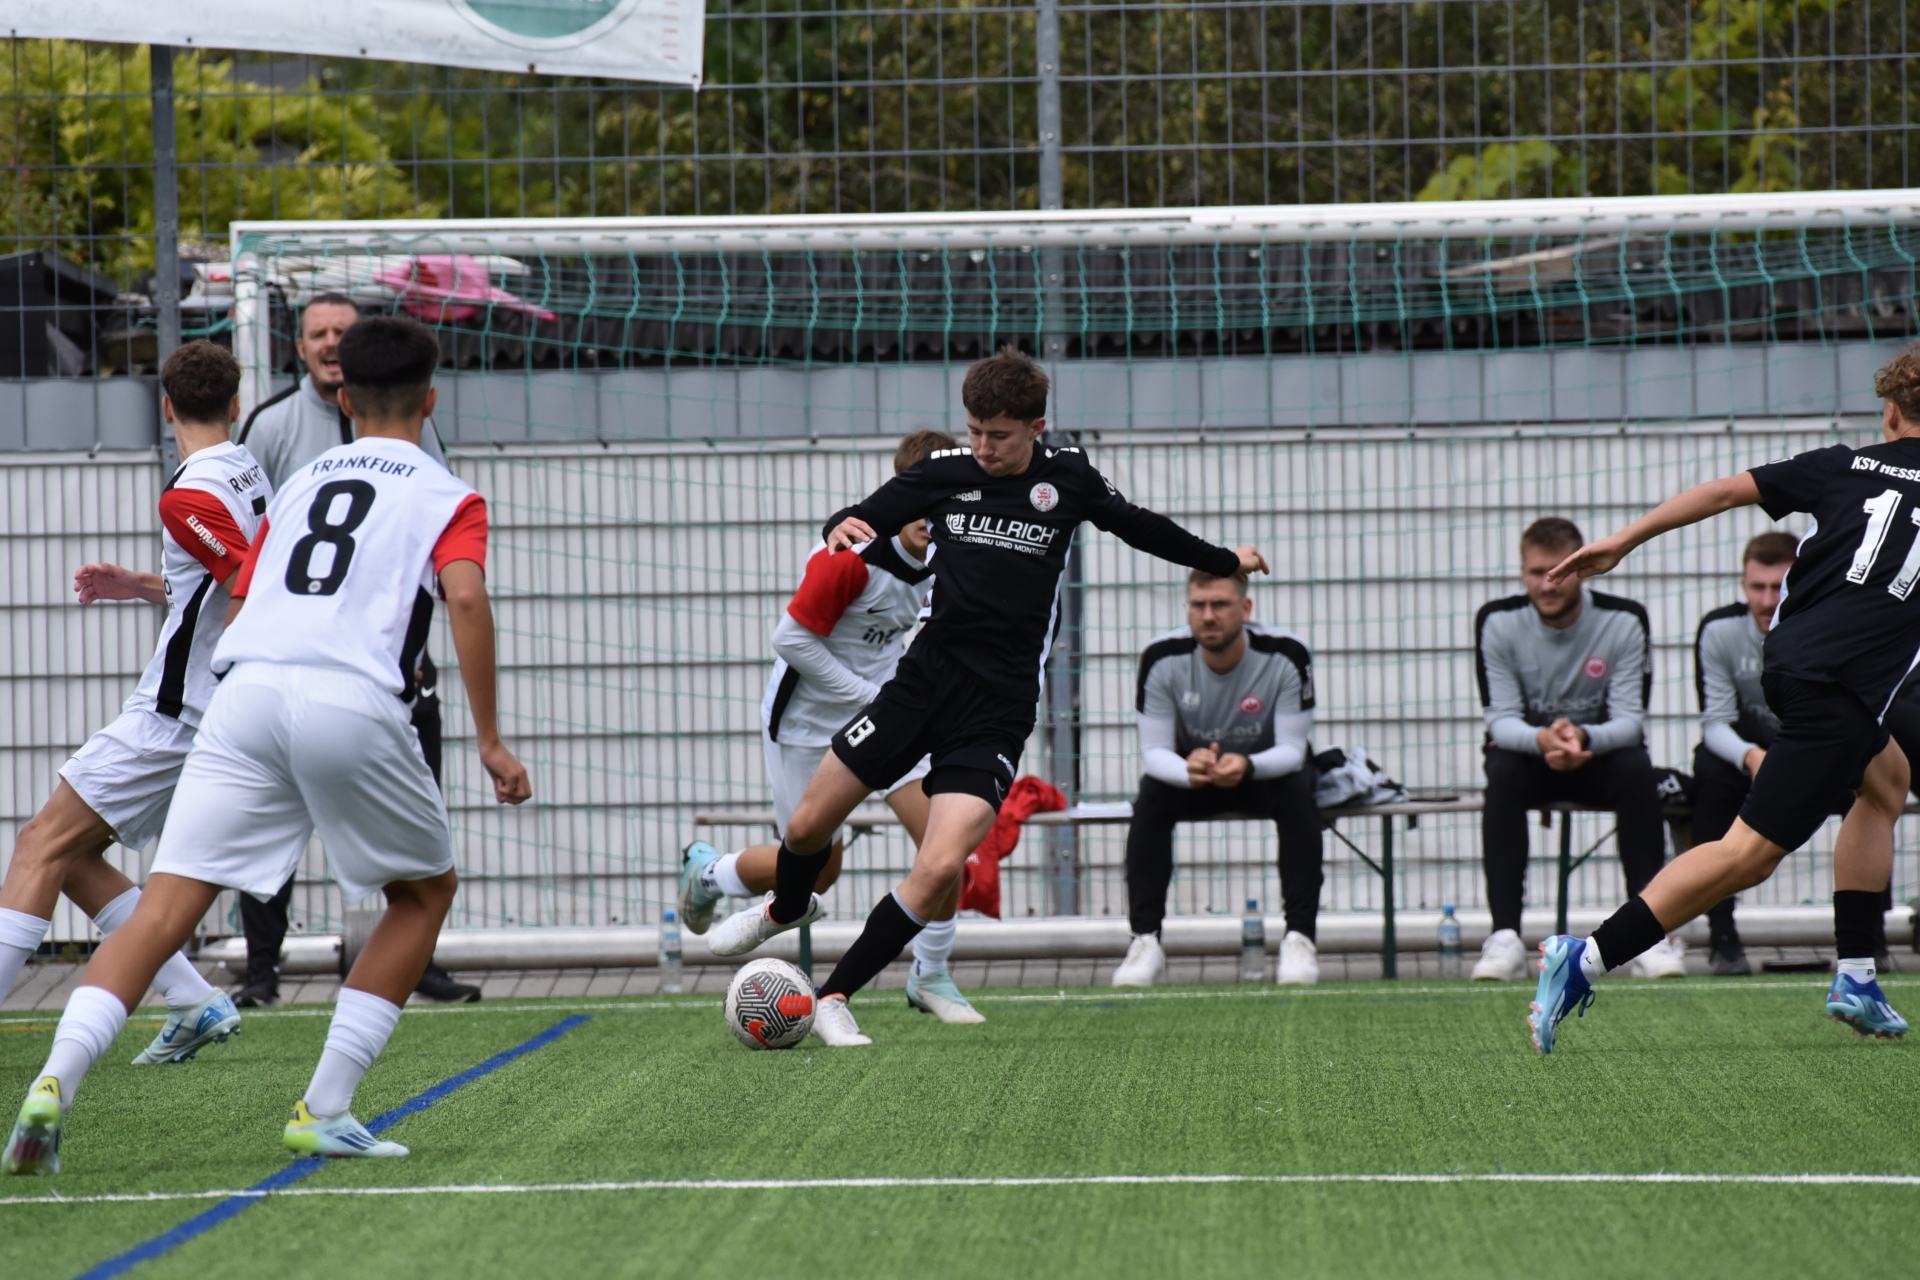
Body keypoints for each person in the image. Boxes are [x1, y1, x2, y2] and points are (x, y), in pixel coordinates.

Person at [4, 316, 531, 1173]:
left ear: (345, 400)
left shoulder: (299, 482)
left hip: (243, 694)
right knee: (423, 893)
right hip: (350, 699)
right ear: (431, 401)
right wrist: (493, 741)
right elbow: (465, 599)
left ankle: (53, 1083)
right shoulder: (448, 495)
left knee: (165, 907)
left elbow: (244, 593)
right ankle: (325, 1108)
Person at [706, 346, 1266, 1047]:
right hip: (920, 685)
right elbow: (865, 514)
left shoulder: (1068, 478)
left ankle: (834, 996)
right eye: (974, 430)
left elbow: (1143, 526)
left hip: (997, 709)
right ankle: (785, 908)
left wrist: (1224, 560)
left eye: (998, 435)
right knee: (807, 828)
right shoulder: (945, 473)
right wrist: (838, 526)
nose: (983, 447)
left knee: (942, 862)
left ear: (1035, 427)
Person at [1528, 352, 1920, 1053]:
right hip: (1837, 688)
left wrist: (1621, 540)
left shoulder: (1843, 465)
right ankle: (1586, 956)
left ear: (1890, 412)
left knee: (1887, 781)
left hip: (1799, 667)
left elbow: (1719, 493)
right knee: (1746, 856)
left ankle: (1857, 974)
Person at [0, 342, 266, 1064]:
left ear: (165, 407)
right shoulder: (246, 466)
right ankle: (192, 997)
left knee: (39, 843)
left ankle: (188, 996)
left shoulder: (187, 494)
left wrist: (236, 670)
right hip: (207, 709)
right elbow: (221, 578)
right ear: (236, 405)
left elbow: (247, 577)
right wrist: (143, 585)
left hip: (178, 713)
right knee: (72, 854)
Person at [681, 429, 982, 1023]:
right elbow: (790, 640)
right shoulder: (850, 556)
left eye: (947, 502)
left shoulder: (955, 558)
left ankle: (930, 974)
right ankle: (709, 874)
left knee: (945, 843)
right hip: (806, 723)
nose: (933, 517)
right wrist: (872, 698)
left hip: (888, 717)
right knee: (818, 872)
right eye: (923, 501)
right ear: (901, 494)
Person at [234, 291, 474, 1005]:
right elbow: (247, 540)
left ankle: (417, 962)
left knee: (417, 819)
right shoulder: (272, 427)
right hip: (302, 662)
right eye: (319, 333)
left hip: (387, 665)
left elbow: (433, 543)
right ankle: (262, 970)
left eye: (343, 331)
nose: (331, 343)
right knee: (267, 832)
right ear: (300, 348)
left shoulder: (413, 435)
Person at [1470, 517, 1676, 982]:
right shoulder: (1497, 622)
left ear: (1581, 570)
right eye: (1535, 572)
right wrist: (1543, 739)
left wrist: (1583, 738)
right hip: (1531, 759)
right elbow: (1500, 720)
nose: (1547, 585)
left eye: (1558, 572)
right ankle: (1504, 935)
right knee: (1502, 770)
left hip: (1598, 759)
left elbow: (1629, 722)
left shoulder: (1624, 620)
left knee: (1637, 768)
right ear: (1521, 572)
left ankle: (1650, 934)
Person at [1112, 571, 1322, 987]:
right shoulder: (1161, 658)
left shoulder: (1287, 655)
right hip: (1195, 778)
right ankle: (1145, 941)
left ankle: (1299, 939)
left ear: (1246, 609)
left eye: (1220, 605)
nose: (1208, 616)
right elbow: (1154, 753)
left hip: (1263, 774)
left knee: (1298, 789)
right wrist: (1187, 770)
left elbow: (1292, 750)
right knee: (1151, 795)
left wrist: (1248, 765)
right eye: (1198, 605)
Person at [1690, 532, 1857, 975]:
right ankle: (1723, 939)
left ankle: (1867, 940)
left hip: (1821, 753)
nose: (1767, 601)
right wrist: (1751, 757)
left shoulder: (1836, 627)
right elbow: (1715, 723)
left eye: (1778, 588)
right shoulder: (1719, 631)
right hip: (1752, 759)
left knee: (1869, 781)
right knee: (1711, 773)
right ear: (1743, 585)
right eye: (1756, 587)